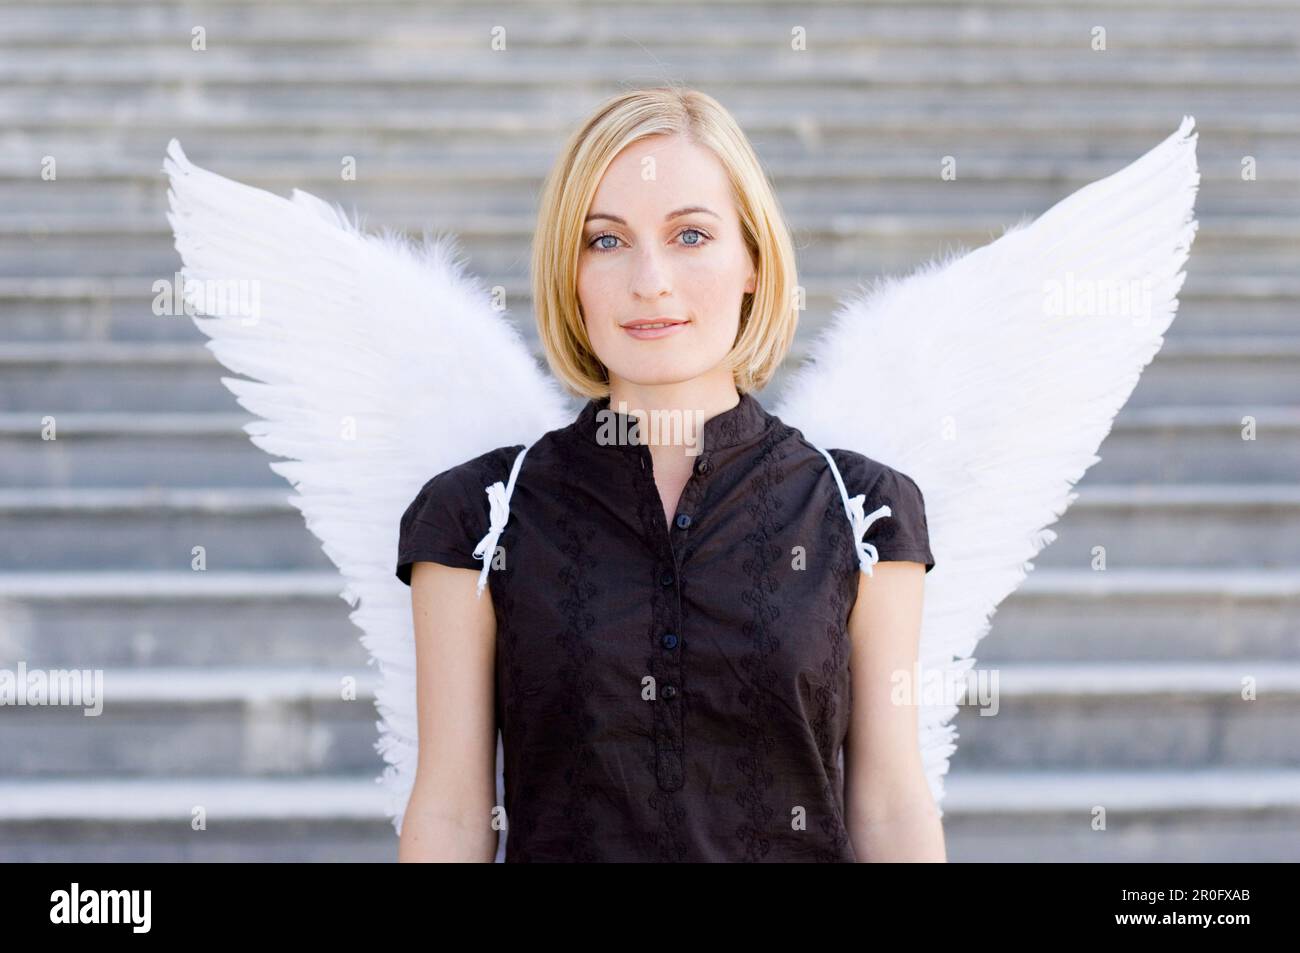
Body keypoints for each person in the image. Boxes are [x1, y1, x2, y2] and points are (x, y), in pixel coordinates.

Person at [395, 86, 944, 862]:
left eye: (690, 235)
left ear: (753, 259)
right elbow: (451, 812)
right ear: (569, 272)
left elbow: (890, 805)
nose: (649, 279)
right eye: (606, 241)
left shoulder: (862, 510)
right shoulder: (477, 517)